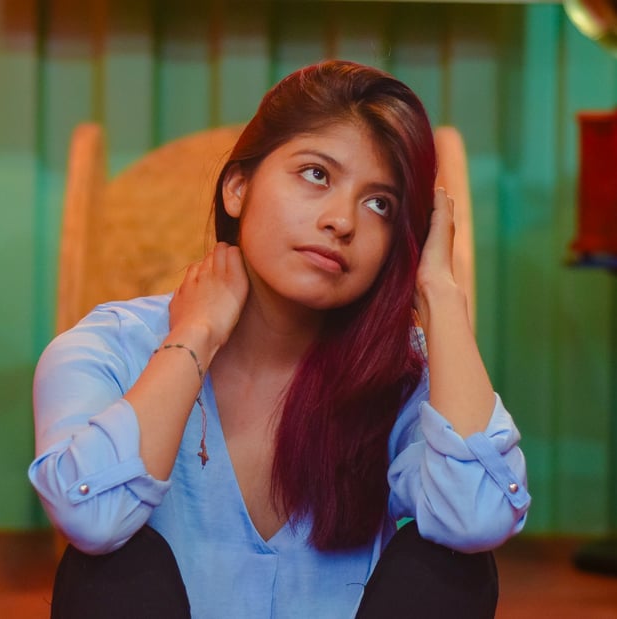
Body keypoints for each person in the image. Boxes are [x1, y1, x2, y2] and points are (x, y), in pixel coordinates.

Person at [29, 60, 530, 618]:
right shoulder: (108, 348)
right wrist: (195, 334)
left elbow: (480, 516)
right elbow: (89, 516)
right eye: (316, 174)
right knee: (110, 563)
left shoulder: (401, 376)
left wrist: (440, 292)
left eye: (379, 204)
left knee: (452, 564)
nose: (342, 221)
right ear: (237, 188)